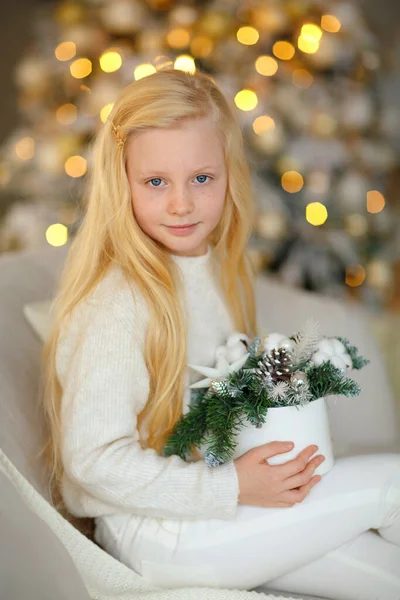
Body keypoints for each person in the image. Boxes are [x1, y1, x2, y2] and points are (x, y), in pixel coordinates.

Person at [41, 69, 400, 600]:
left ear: (228, 174)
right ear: (122, 184)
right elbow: (93, 461)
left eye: (201, 178)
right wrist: (231, 485)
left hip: (211, 515)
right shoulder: (118, 303)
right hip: (157, 533)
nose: (181, 203)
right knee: (392, 485)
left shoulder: (210, 267)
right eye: (156, 181)